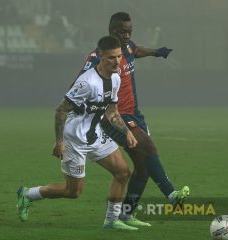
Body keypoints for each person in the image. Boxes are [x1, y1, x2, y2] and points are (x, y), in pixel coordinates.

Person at [17, 36, 139, 230]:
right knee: (73, 192)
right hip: (75, 140)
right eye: (111, 58)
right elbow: (61, 110)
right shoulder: (86, 83)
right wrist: (59, 142)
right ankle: (27, 194)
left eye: (119, 57)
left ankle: (111, 221)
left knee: (123, 173)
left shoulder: (116, 78)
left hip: (95, 135)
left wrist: (127, 133)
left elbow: (112, 111)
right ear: (100, 56)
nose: (117, 62)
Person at [79, 12, 189, 227]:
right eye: (122, 31)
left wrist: (158, 52)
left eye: (129, 31)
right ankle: (172, 195)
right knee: (147, 148)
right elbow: (81, 81)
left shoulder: (127, 48)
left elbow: (138, 50)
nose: (127, 35)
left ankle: (125, 215)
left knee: (143, 168)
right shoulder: (97, 57)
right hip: (114, 116)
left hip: (135, 115)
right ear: (112, 31)